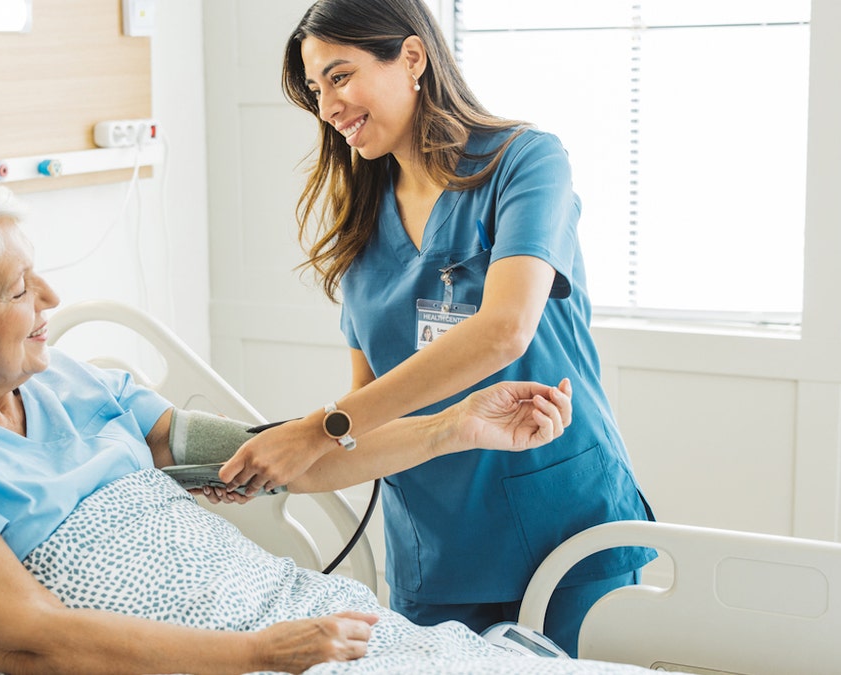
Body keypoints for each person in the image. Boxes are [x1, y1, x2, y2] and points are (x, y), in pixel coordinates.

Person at [0, 182, 657, 675]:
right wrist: (259, 653)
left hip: (277, 621)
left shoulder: (73, 386)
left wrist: (453, 427)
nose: (52, 298)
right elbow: (27, 642)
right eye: (19, 289)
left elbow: (280, 458)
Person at [217, 0, 655, 658]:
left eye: (340, 76)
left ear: (413, 57)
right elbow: (368, 432)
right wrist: (273, 465)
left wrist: (318, 427)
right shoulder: (360, 233)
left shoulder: (524, 163)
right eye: (315, 89)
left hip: (564, 526)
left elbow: (504, 329)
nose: (327, 104)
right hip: (438, 555)